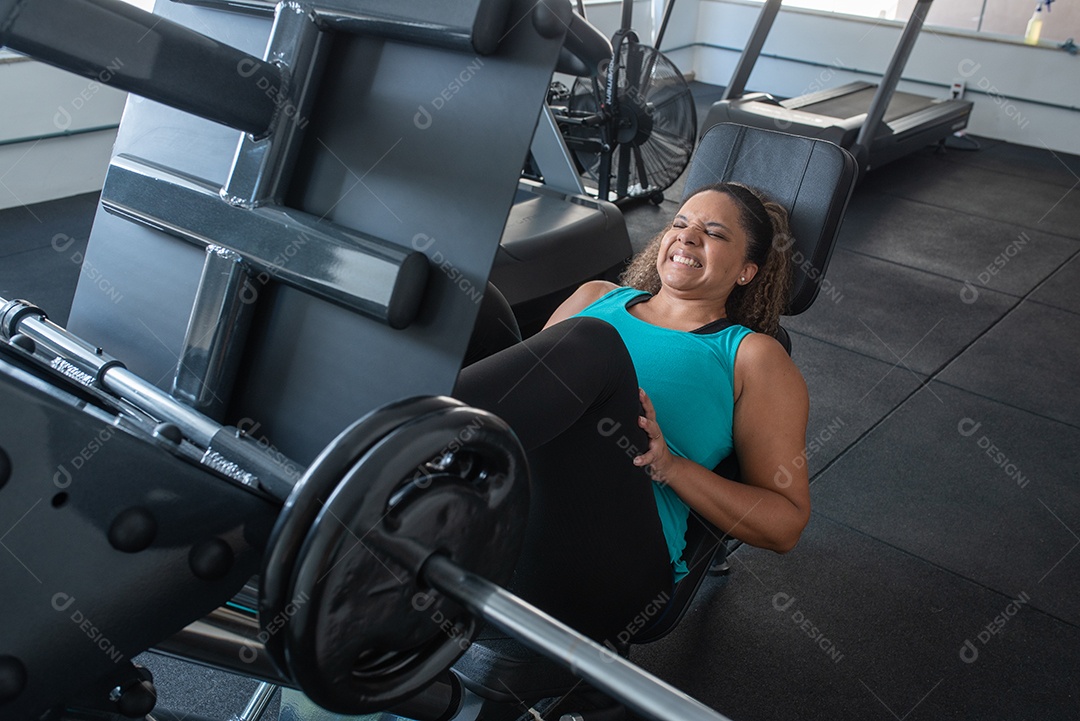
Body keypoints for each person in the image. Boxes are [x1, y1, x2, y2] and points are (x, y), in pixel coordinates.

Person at [455, 182, 810, 644]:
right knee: (471, 297)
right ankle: (416, 457)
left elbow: (786, 524)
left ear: (746, 271)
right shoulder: (596, 297)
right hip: (509, 511)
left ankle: (395, 447)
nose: (685, 236)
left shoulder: (751, 356)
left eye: (715, 233)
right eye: (680, 223)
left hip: (614, 565)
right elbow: (524, 397)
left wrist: (671, 467)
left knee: (594, 345)